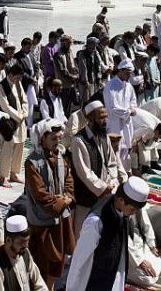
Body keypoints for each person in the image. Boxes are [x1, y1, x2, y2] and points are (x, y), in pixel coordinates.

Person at [66, 176, 152, 291]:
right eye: (132, 209)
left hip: (112, 278)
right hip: (94, 282)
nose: (133, 213)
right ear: (121, 200)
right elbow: (79, 260)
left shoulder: (122, 212)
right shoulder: (96, 221)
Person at [24, 120, 75, 289]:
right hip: (43, 221)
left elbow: (68, 179)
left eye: (58, 138)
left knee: (57, 262)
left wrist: (67, 196)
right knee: (42, 262)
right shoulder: (32, 163)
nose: (57, 142)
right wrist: (62, 202)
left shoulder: (60, 156)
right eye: (53, 139)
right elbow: (40, 194)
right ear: (41, 139)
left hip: (60, 218)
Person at [70, 100, 125, 234]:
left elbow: (112, 162)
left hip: (106, 194)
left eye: (106, 117)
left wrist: (113, 182)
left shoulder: (103, 136)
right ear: (89, 118)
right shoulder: (79, 141)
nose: (105, 120)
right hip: (87, 198)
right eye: (101, 117)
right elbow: (84, 173)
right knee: (82, 235)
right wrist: (102, 188)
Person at [0, 215, 48, 291]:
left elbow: (39, 283)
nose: (26, 246)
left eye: (27, 241)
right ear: (8, 240)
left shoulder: (25, 253)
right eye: (22, 242)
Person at [0, 64, 28, 187]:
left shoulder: (18, 83)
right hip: (9, 123)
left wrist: (24, 113)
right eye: (17, 77)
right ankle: (3, 177)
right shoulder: (1, 86)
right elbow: (5, 106)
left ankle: (14, 174)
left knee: (19, 147)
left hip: (21, 122)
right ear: (10, 75)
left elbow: (24, 99)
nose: (18, 80)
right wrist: (18, 116)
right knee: (7, 150)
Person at [104, 58, 138, 170]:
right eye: (127, 73)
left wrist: (133, 109)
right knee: (115, 150)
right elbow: (113, 107)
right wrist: (129, 111)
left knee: (126, 149)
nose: (129, 76)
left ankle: (125, 175)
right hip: (115, 124)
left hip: (127, 123)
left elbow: (133, 102)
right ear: (121, 71)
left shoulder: (129, 86)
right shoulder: (110, 86)